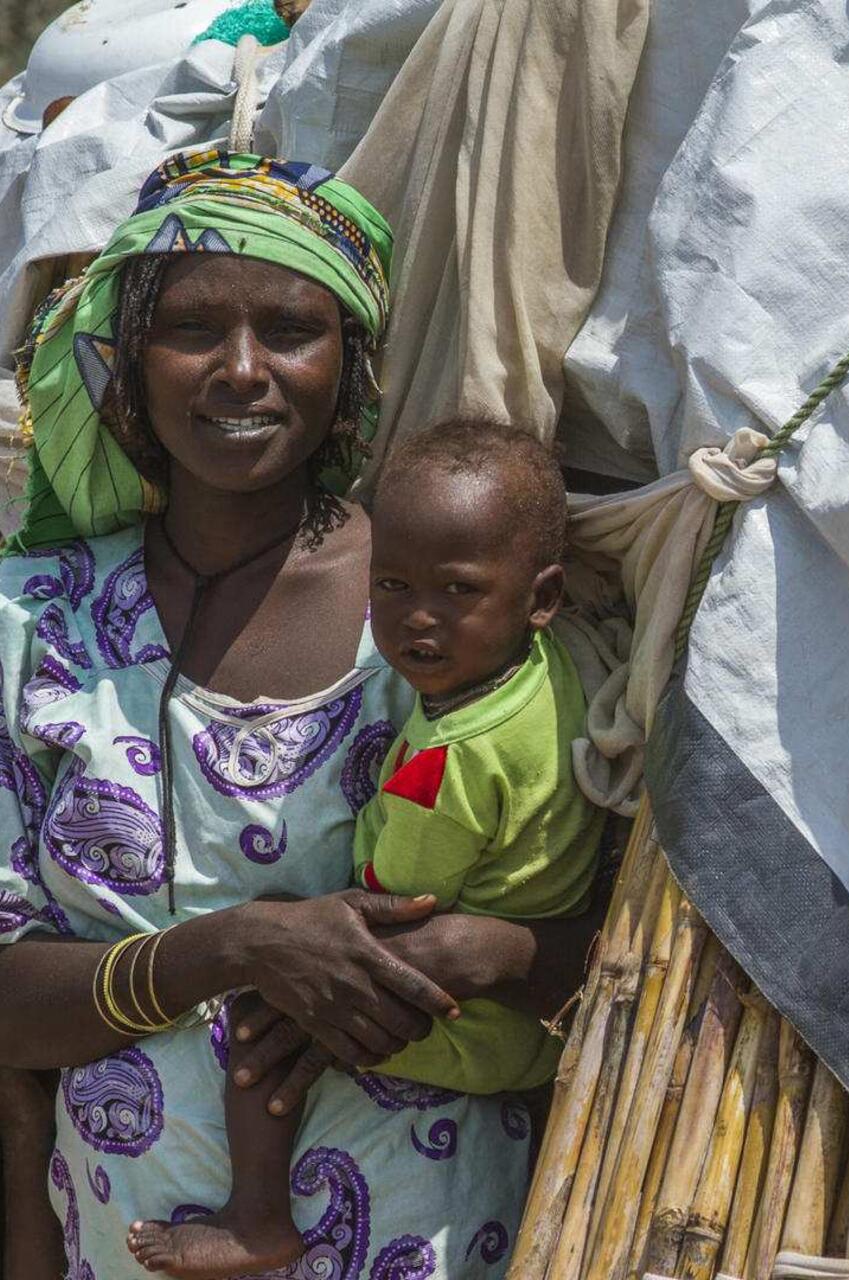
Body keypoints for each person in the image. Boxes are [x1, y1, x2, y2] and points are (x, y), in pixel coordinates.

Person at [0, 149, 599, 1280]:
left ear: (352, 364)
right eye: (190, 330)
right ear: (125, 363)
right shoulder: (32, 619)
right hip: (126, 1236)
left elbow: (612, 946)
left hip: (430, 1232)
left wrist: (501, 949)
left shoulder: (452, 615)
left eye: (288, 328)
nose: (239, 369)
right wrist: (232, 948)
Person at [125, 421, 604, 1278]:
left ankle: (257, 1217)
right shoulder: (544, 671)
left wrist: (293, 941)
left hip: (471, 1026)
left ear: (541, 596)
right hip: (530, 1017)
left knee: (260, 986)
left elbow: (395, 903)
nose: (418, 618)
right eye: (391, 584)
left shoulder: (443, 761)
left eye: (457, 591)